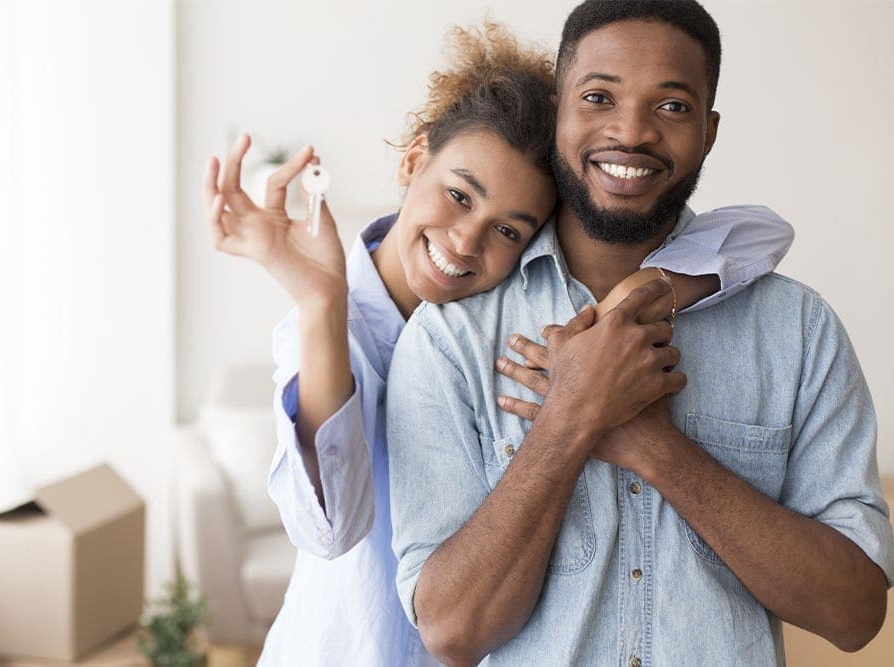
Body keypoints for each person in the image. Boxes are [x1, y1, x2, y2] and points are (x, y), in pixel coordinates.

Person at [205, 20, 794, 667]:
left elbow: (760, 233)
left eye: (508, 230)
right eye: (459, 195)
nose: (464, 241)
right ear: (412, 158)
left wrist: (637, 292)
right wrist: (320, 303)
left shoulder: (502, 314)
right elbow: (329, 527)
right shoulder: (332, 328)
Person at [386, 2, 894, 665]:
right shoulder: (451, 335)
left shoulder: (799, 330)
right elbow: (452, 630)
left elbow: (854, 613)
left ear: (709, 133)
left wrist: (652, 444)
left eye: (673, 107)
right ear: (559, 109)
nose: (631, 132)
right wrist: (571, 416)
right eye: (599, 96)